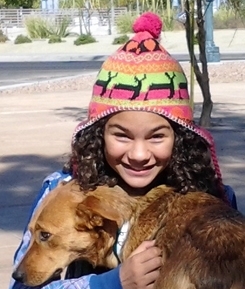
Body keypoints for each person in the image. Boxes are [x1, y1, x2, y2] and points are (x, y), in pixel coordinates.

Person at [10, 11, 237, 289]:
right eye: (121, 135)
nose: (139, 154)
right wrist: (112, 282)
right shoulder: (58, 191)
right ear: (98, 135)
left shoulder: (216, 197)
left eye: (156, 137)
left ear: (181, 140)